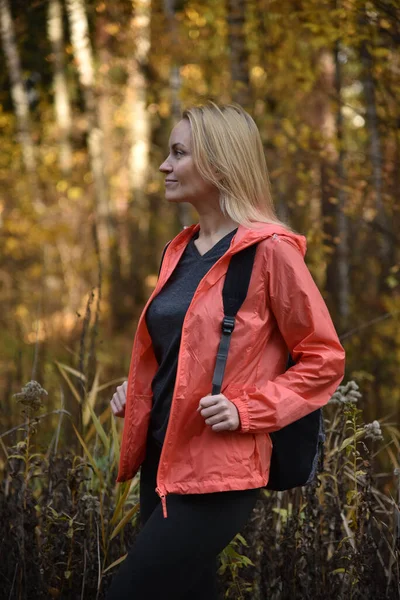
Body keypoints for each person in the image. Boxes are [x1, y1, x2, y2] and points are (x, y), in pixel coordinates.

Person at [106, 102, 345, 600]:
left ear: (218, 164)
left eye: (177, 153)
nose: (163, 165)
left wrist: (246, 409)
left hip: (219, 475)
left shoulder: (270, 251)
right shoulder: (181, 248)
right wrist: (141, 390)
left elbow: (324, 359)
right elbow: (187, 349)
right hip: (162, 463)